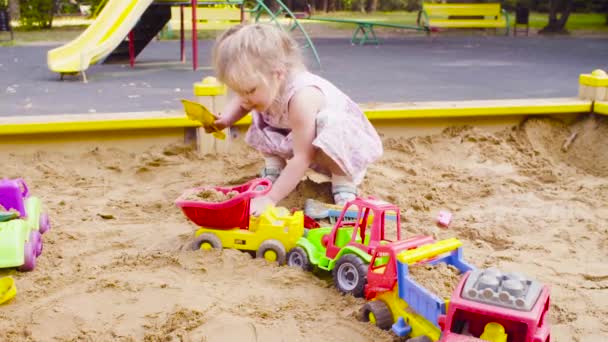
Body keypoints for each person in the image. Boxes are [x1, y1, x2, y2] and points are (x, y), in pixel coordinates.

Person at [209, 23, 382, 214]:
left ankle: (343, 183)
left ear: (278, 73)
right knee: (258, 110)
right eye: (238, 91)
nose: (243, 99)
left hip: (341, 147)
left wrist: (270, 199)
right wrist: (226, 120)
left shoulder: (302, 98)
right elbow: (243, 100)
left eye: (249, 90)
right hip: (296, 133)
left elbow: (302, 158)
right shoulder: (265, 86)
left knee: (326, 124)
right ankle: (275, 169)